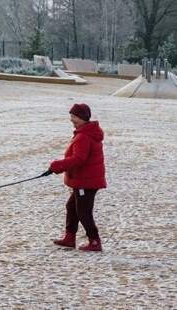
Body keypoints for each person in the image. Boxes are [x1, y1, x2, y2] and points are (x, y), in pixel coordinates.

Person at [47, 103, 106, 252]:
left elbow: (79, 159)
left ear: (82, 118)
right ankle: (69, 238)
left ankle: (94, 241)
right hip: (84, 180)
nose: (71, 119)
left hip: (86, 182)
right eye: (71, 116)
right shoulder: (85, 133)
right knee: (72, 207)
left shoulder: (84, 136)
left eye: (74, 117)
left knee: (83, 212)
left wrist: (57, 165)